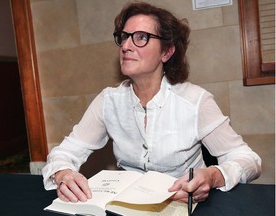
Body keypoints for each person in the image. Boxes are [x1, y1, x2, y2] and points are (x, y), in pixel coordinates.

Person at [42, 2, 261, 204]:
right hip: (129, 206)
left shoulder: (195, 101)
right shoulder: (108, 101)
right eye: (124, 36)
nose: (126, 45)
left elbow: (248, 159)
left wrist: (214, 176)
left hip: (186, 206)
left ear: (166, 52)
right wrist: (63, 173)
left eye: (141, 37)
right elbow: (65, 152)